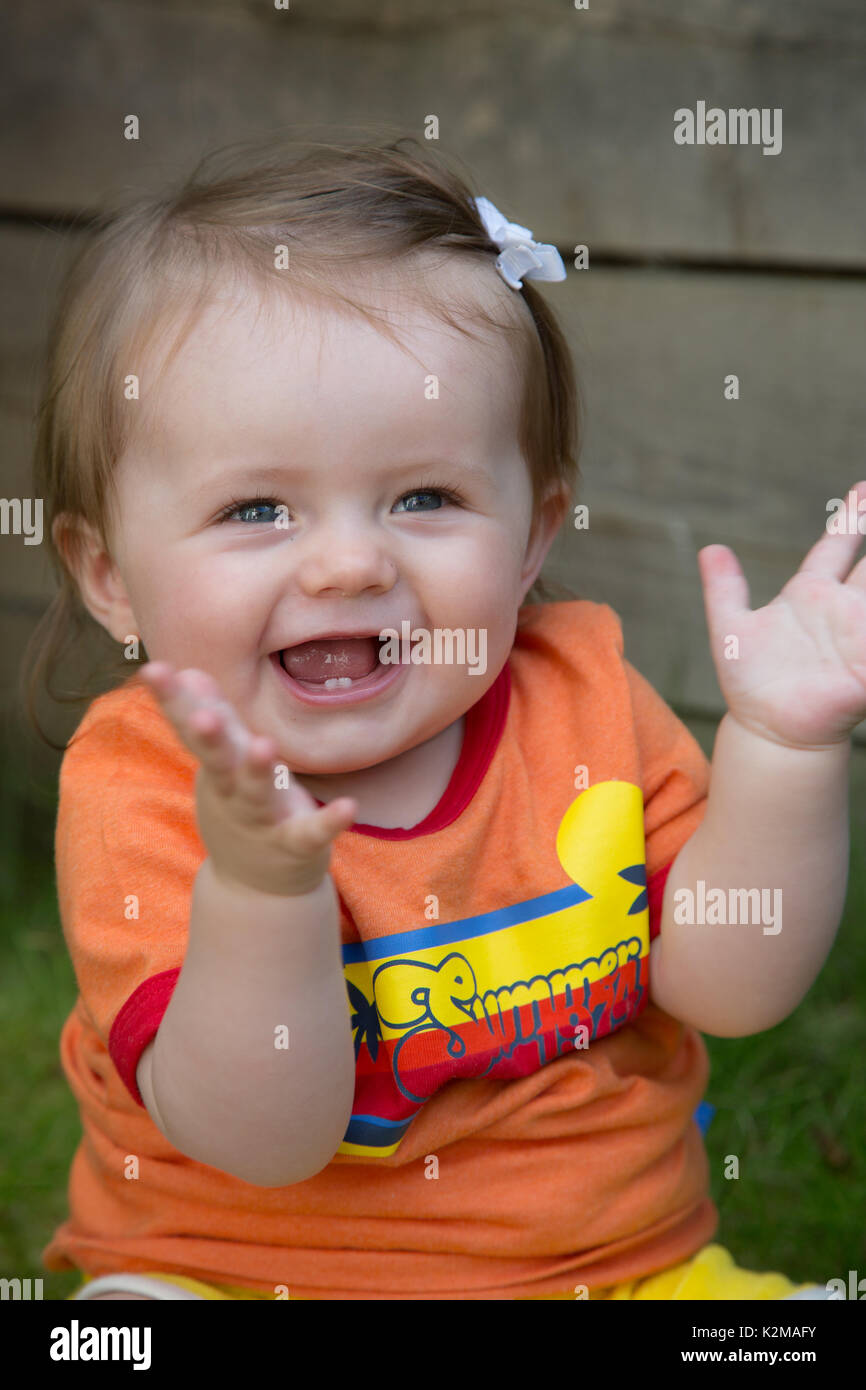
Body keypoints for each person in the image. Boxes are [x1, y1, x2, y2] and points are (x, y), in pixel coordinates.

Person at [27, 136, 853, 1300]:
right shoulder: (144, 785)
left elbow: (728, 986)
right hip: (233, 1275)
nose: (351, 561)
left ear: (530, 535)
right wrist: (262, 893)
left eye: (424, 496)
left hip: (602, 1271)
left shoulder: (585, 698)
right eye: (257, 506)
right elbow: (264, 1138)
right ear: (108, 572)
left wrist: (780, 745)